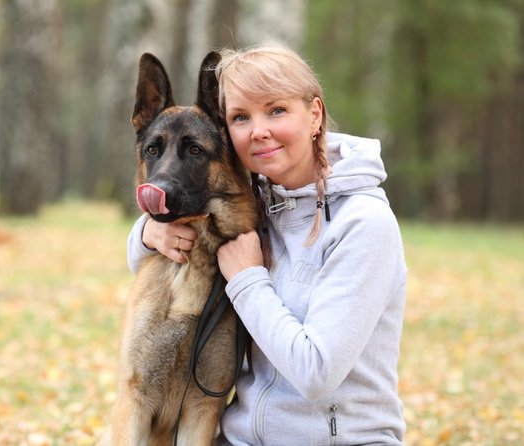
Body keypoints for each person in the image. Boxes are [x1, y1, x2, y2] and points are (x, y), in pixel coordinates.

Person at [126, 42, 407, 446]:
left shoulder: (364, 224)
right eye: (241, 116)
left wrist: (248, 280)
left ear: (315, 114)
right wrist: (148, 233)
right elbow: (153, 257)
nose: (259, 130)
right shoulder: (252, 203)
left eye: (276, 110)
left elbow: (317, 373)